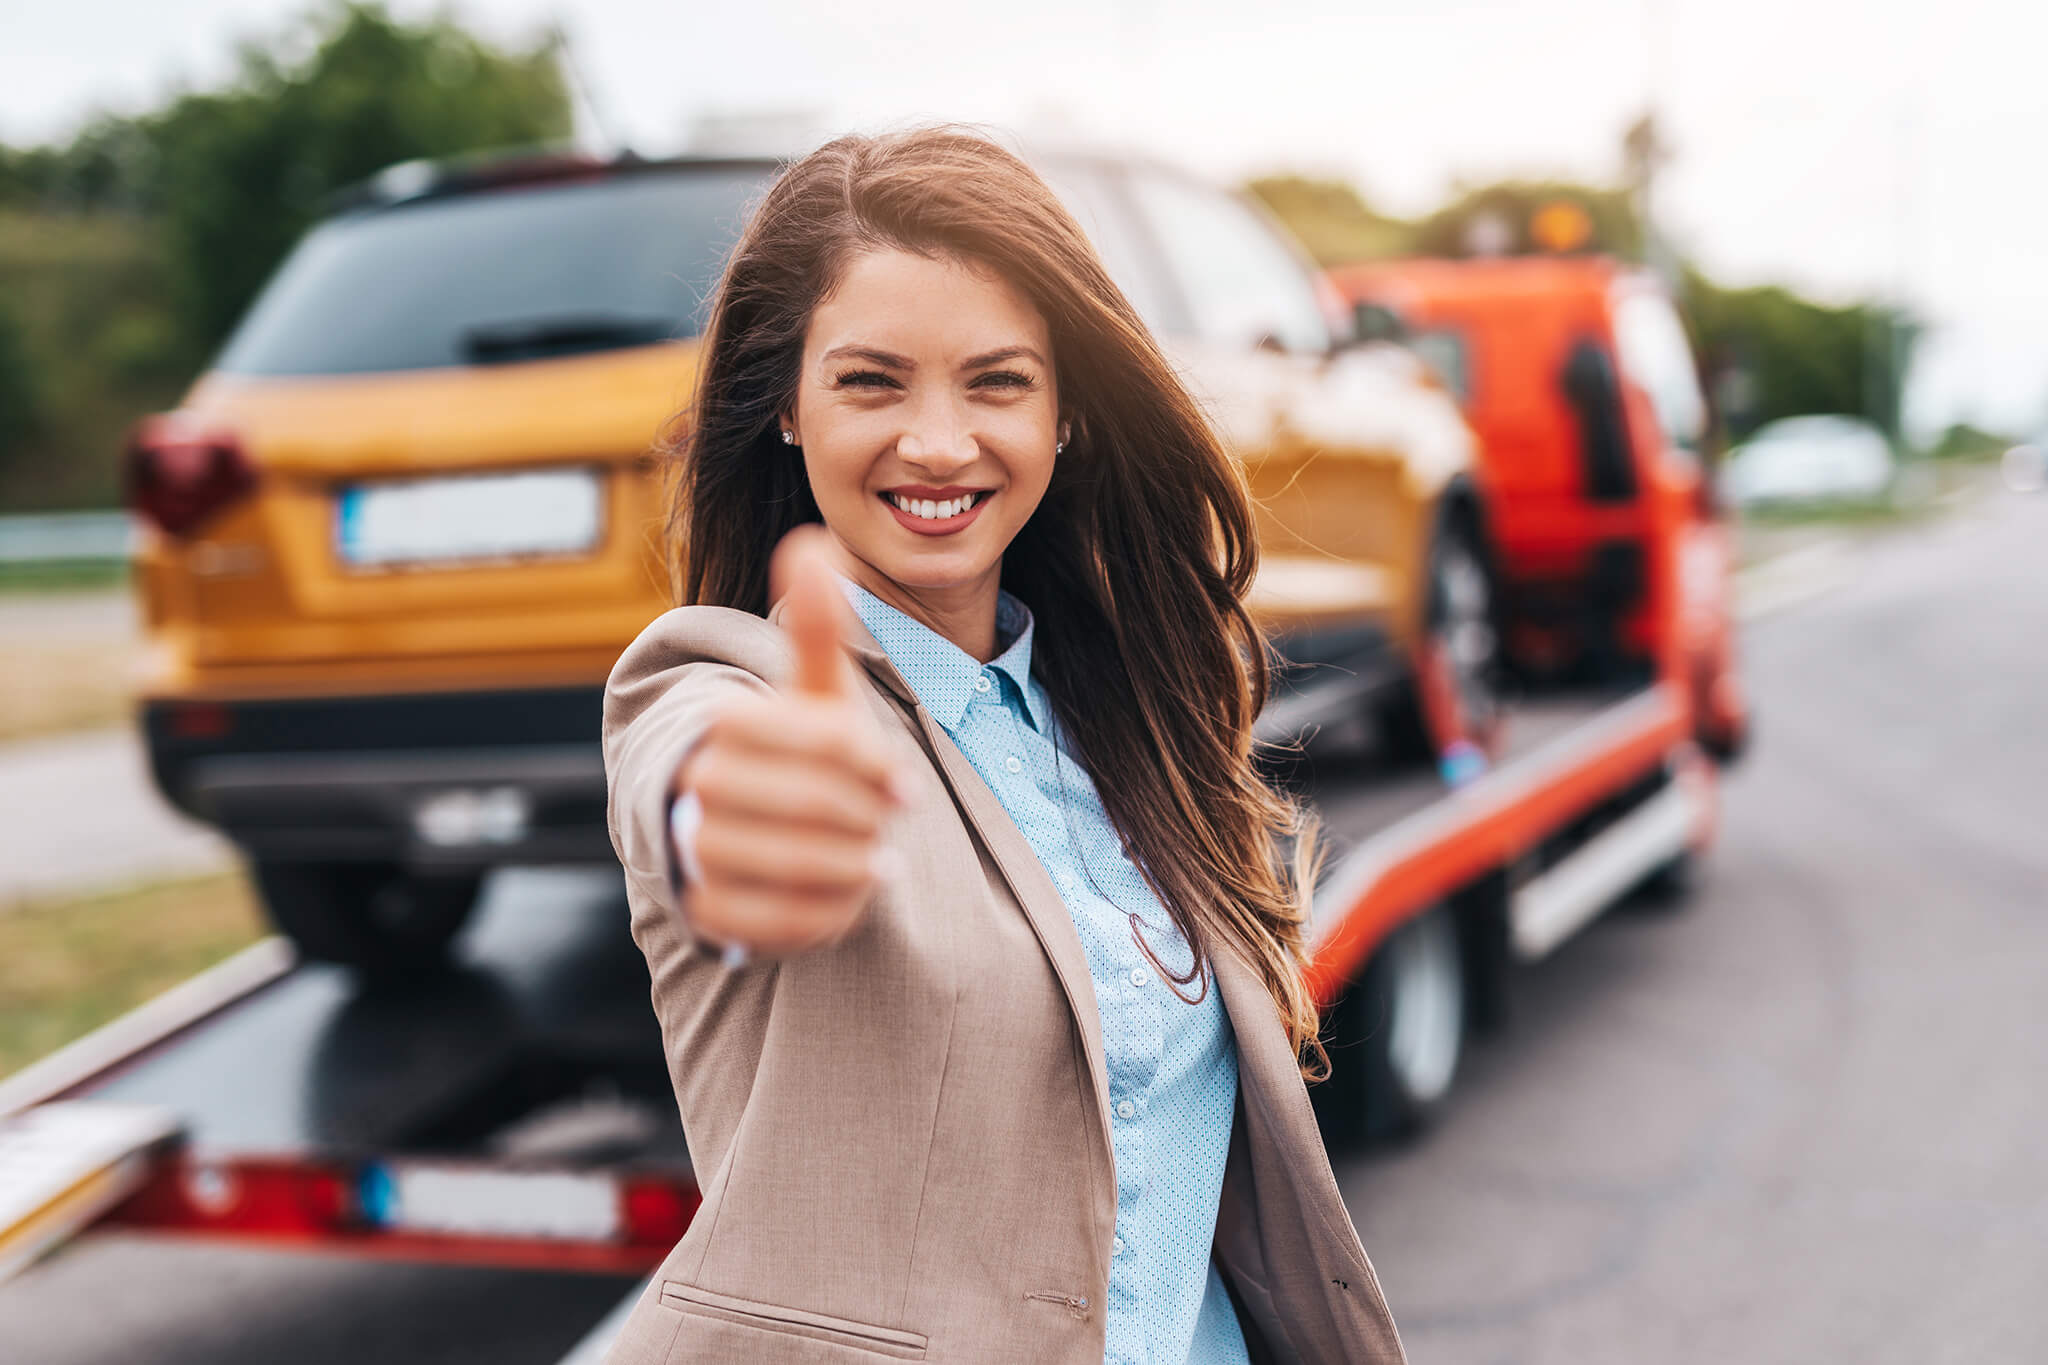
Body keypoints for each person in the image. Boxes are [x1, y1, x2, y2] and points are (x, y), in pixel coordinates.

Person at [602, 127, 1406, 1364]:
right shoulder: (725, 691)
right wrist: (743, 821)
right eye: (871, 383)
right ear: (782, 405)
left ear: (1066, 413)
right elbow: (695, 788)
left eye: (996, 382)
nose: (937, 441)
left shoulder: (1124, 723)